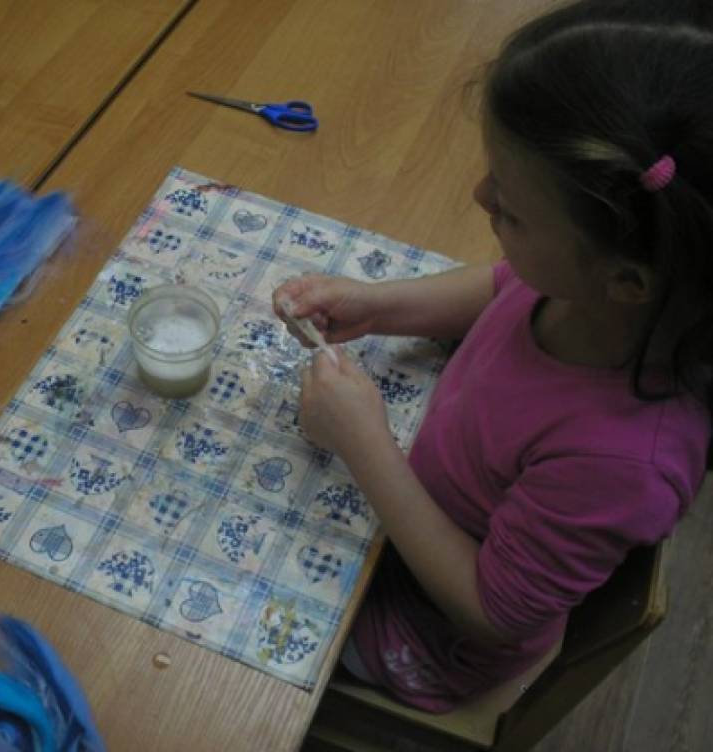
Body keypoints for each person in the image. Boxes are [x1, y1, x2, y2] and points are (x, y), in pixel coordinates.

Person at [273, 0, 713, 712]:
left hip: (424, 620)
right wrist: (378, 305)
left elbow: (491, 611)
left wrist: (364, 444)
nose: (480, 197)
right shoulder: (598, 294)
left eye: (508, 207)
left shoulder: (621, 465)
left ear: (627, 279)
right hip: (426, 493)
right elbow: (501, 287)